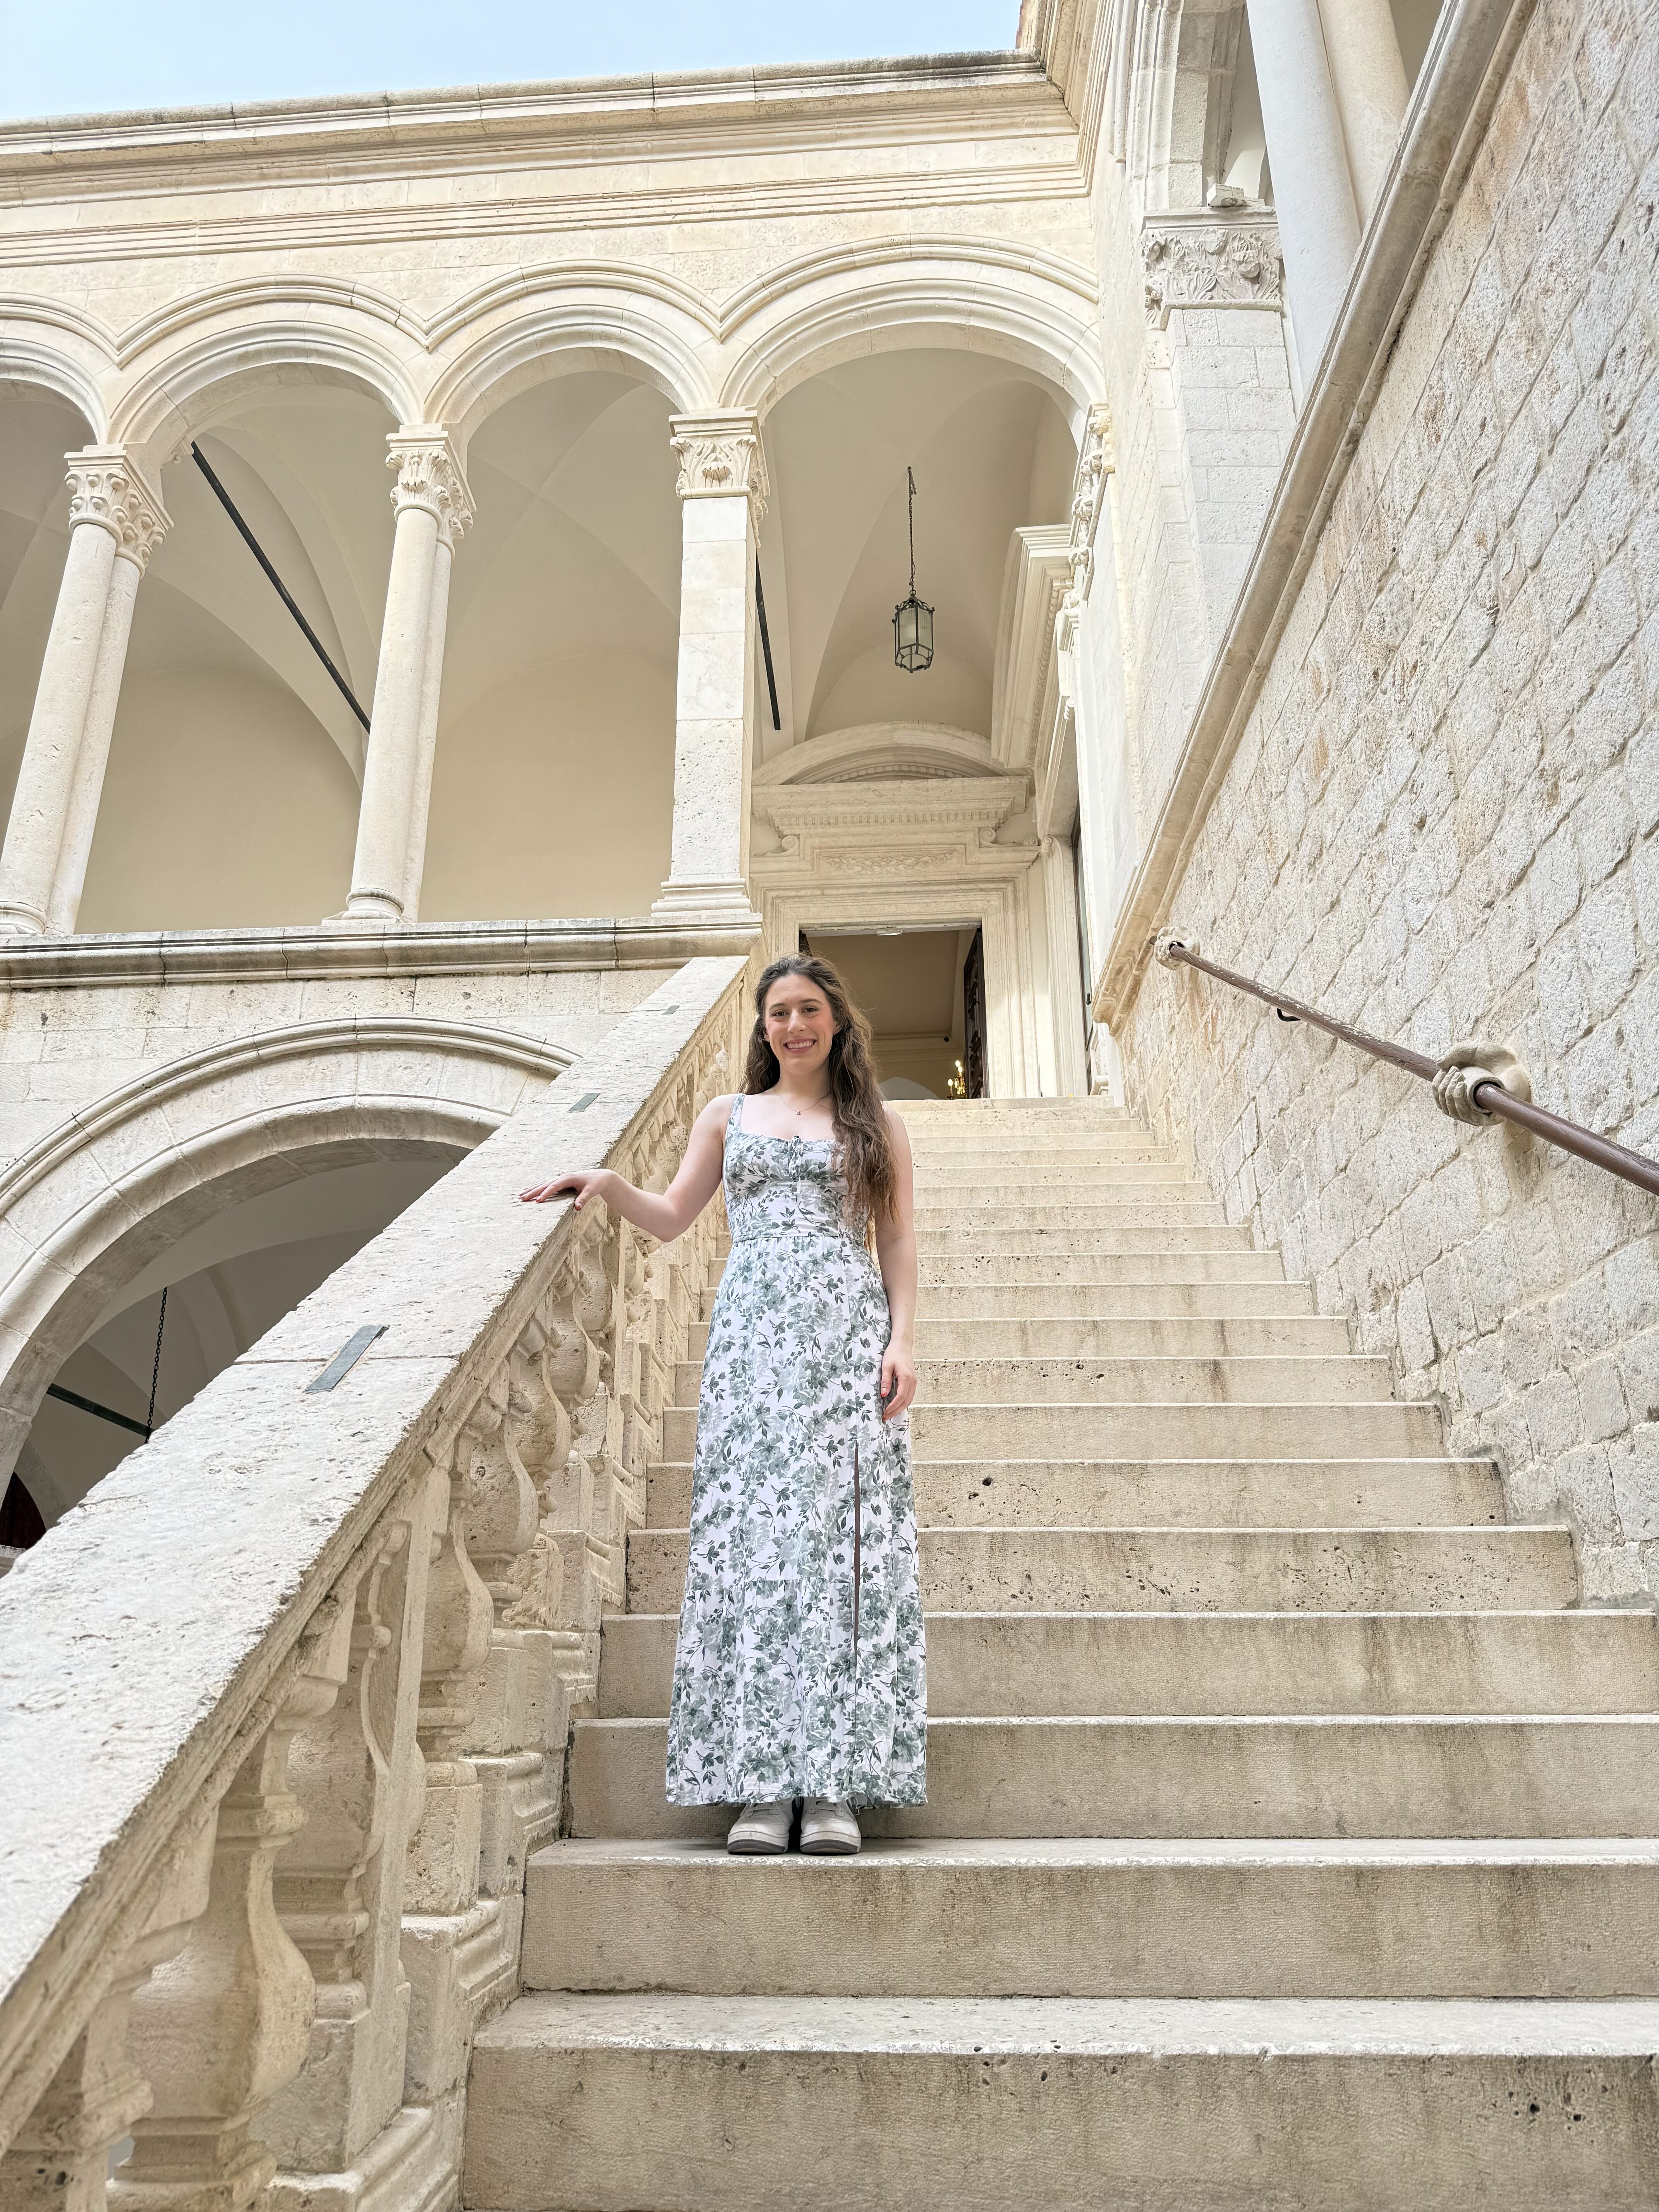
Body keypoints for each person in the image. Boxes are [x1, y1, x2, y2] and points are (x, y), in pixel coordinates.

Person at [520, 953, 926, 1856]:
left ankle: (832, 1787)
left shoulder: (877, 1126)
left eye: (809, 1009)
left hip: (842, 1342)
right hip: (751, 1349)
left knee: (834, 1553)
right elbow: (671, 1215)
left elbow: (895, 1240)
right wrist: (607, 1185)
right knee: (755, 1549)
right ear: (763, 1027)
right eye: (779, 1012)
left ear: (836, 1021)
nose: (794, 1026)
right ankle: (757, 1785)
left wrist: (902, 1343)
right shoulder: (726, 1115)